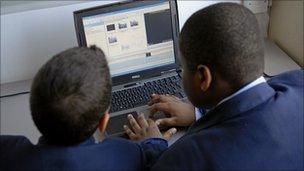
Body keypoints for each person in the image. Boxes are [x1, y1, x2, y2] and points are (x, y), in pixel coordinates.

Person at [124, 3, 303, 170]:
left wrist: (151, 147)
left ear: (203, 77)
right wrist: (199, 113)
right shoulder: (297, 81)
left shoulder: (189, 157)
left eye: (183, 67)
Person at [0, 46, 174, 171]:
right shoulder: (124, 153)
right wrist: (154, 144)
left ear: (33, 109)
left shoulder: (9, 153)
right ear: (103, 121)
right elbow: (157, 160)